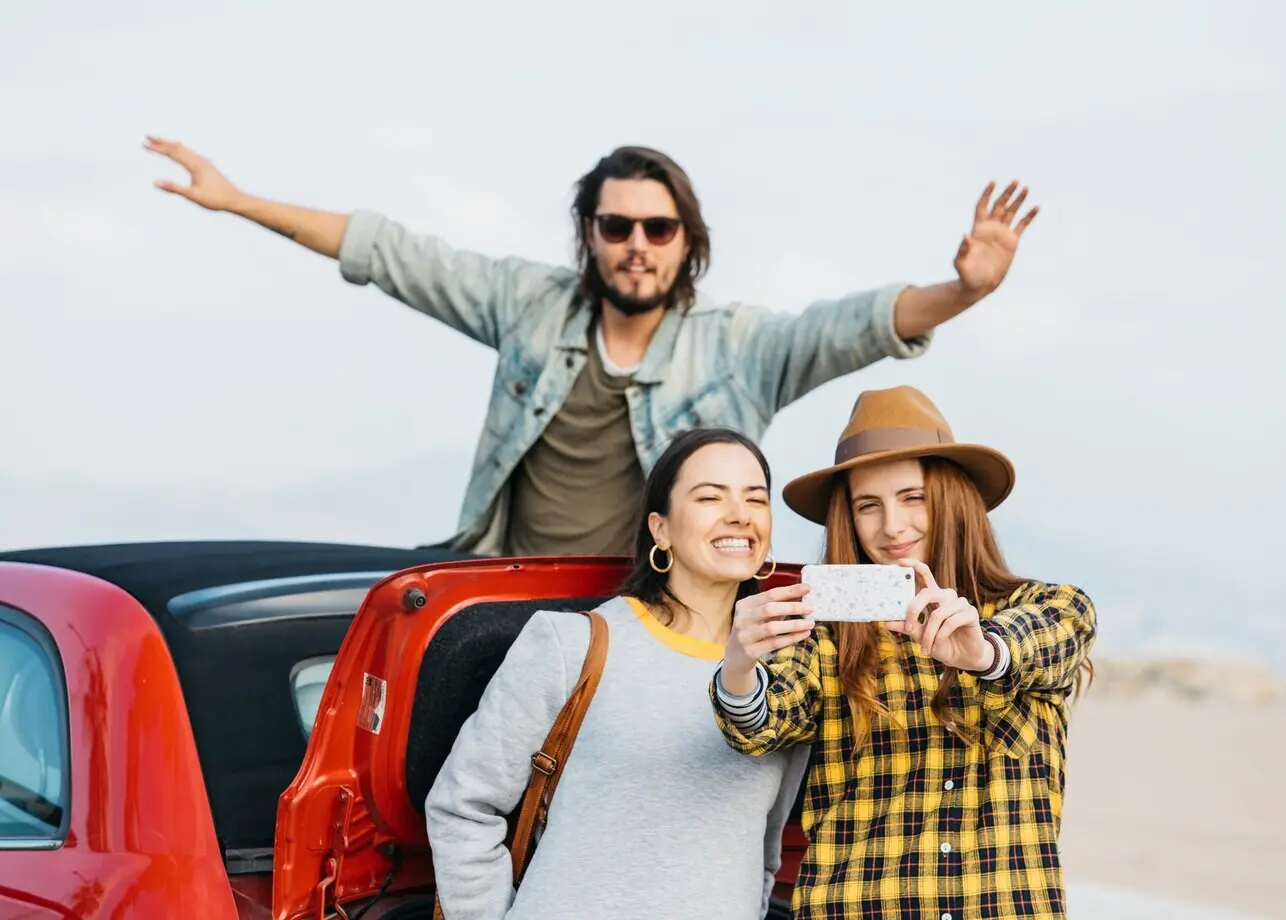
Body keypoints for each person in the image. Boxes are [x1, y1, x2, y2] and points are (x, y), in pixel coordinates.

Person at [143, 136, 1040, 557]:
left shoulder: (741, 346)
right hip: (511, 592)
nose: (638, 244)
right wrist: (241, 200)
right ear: (590, 232)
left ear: (688, 241)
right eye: (618, 224)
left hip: (661, 607)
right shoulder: (529, 306)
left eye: (659, 227)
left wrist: (964, 289)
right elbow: (395, 255)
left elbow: (861, 324)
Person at [709, 385, 1097, 920]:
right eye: (869, 506)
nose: (892, 527)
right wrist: (738, 664)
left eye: (913, 498)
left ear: (954, 498)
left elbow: (1048, 639)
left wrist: (984, 653)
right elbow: (758, 726)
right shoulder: (826, 635)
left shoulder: (1049, 606)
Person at [425, 426, 811, 920]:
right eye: (710, 497)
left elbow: (765, 850)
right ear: (661, 528)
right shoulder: (572, 644)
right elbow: (463, 807)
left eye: (755, 499)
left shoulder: (786, 674)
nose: (739, 514)